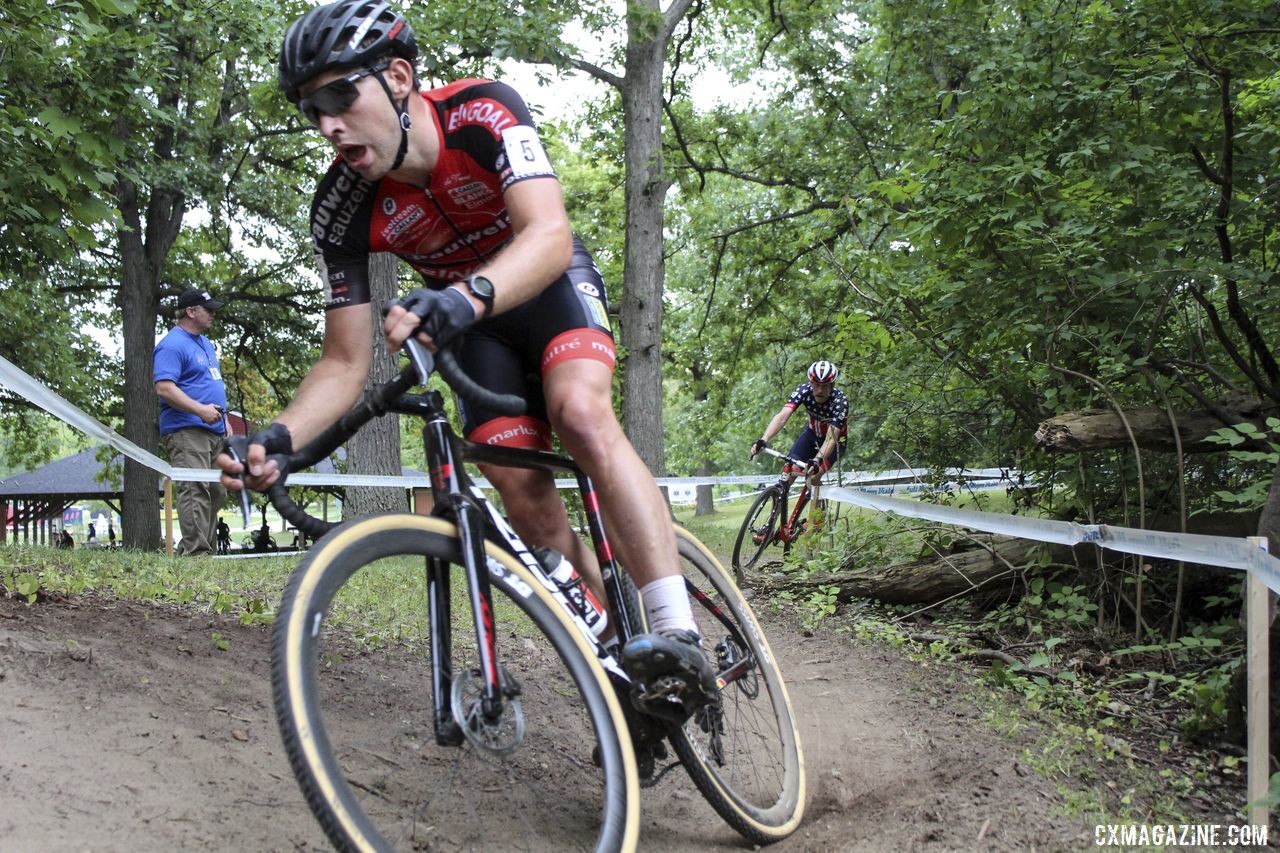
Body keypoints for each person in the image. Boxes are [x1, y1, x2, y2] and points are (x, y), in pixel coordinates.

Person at [218, 0, 714, 717]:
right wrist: (278, 436)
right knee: (521, 492)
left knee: (579, 411)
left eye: (338, 96)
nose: (326, 123)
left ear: (396, 76)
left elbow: (547, 232)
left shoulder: (482, 114)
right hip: (472, 327)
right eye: (309, 109)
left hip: (542, 284)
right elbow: (344, 361)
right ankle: (626, 677)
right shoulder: (341, 208)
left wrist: (470, 293)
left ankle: (678, 632)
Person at [155, 289, 230, 556]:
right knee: (194, 489)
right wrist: (200, 410)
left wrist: (226, 419)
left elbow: (211, 383)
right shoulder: (171, 345)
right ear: (190, 311)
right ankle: (197, 554)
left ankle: (199, 549)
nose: (212, 314)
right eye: (207, 309)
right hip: (187, 430)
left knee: (217, 491)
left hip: (215, 430)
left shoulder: (206, 344)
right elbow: (164, 388)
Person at [750, 360, 849, 487]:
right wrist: (764, 439)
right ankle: (779, 502)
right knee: (788, 472)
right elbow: (782, 416)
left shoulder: (840, 402)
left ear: (832, 385)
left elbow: (831, 439)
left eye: (824, 386)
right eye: (816, 384)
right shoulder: (804, 391)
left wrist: (817, 460)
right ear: (810, 383)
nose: (819, 390)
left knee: (813, 477)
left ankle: (818, 504)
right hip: (811, 436)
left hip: (835, 442)